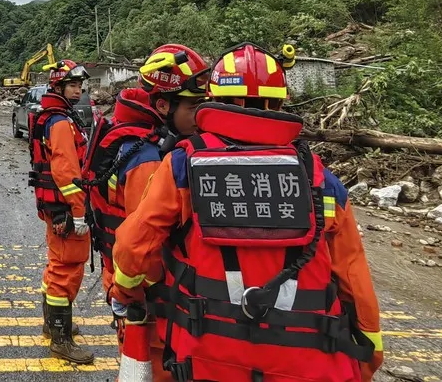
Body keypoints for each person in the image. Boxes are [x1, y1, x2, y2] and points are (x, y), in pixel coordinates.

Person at [111, 42, 383, 382]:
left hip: (205, 359)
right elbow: (355, 284)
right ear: (281, 102)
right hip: (308, 366)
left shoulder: (183, 165)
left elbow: (133, 248)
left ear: (213, 100)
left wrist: (125, 294)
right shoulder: (318, 179)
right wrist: (366, 356)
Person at [84, 45, 207, 382]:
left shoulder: (132, 137)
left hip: (127, 284)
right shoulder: (148, 157)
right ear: (163, 105)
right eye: (194, 106)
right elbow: (142, 247)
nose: (201, 116)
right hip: (148, 299)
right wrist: (132, 295)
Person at [28, 59, 94, 363]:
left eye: (79, 85)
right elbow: (67, 172)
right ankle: (61, 339)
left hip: (53, 207)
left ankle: (52, 325)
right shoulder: (60, 122)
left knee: (56, 265)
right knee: (66, 270)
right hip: (66, 210)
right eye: (72, 85)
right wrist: (79, 212)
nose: (78, 89)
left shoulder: (48, 116)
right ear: (57, 87)